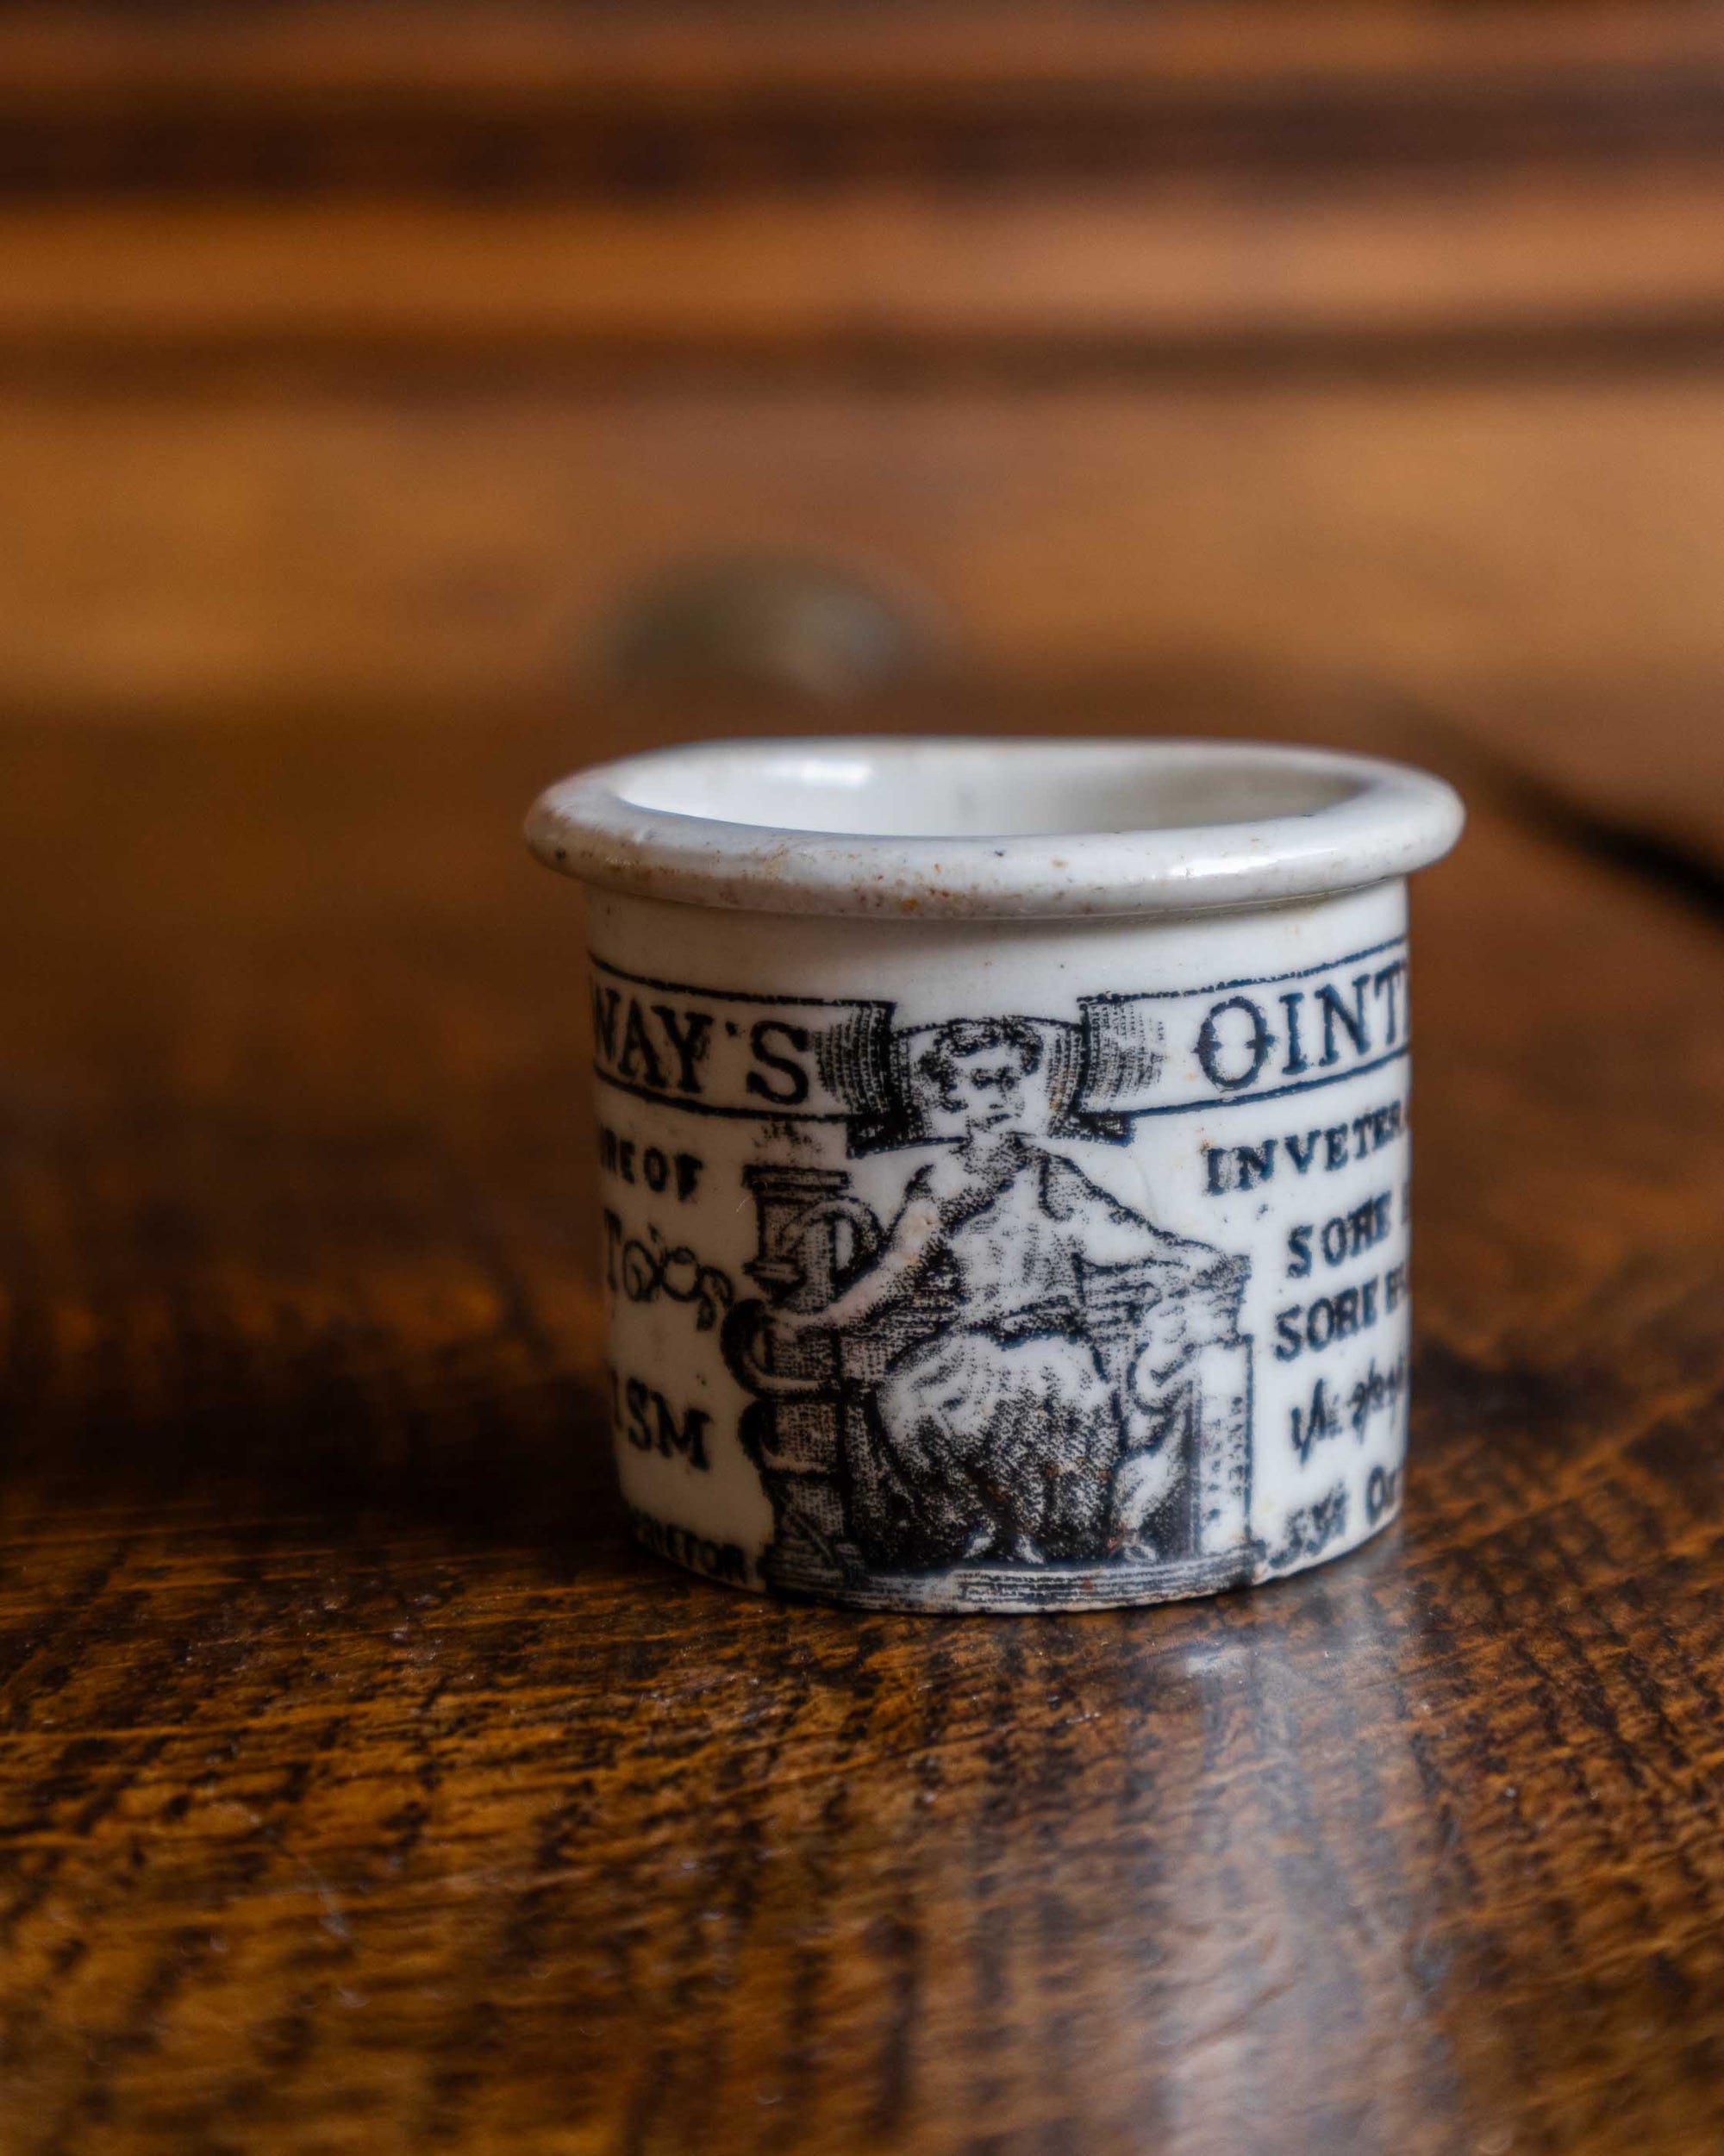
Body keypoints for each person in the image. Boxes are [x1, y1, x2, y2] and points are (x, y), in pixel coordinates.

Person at [774, 1017, 1229, 1566]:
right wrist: (822, 1319)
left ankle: (1037, 1541)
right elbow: (895, 1272)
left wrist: (1183, 1254)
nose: (1000, 1094)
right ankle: (983, 1526)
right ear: (951, 1092)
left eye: (1010, 1079)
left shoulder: (1050, 1175)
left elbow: (1116, 1234)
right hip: (971, 1351)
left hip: (1051, 1349)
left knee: (1053, 1421)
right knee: (905, 1403)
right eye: (982, 1080)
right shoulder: (941, 1185)